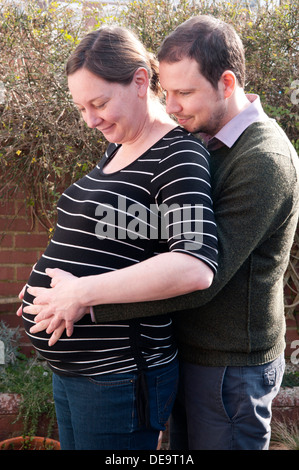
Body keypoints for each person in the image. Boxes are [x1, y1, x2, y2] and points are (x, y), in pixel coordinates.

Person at [17, 25, 218, 450]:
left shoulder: (178, 154)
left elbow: (194, 266)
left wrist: (81, 293)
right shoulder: (118, 147)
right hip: (77, 372)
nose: (90, 119)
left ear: (141, 81)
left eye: (100, 102)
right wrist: (48, 291)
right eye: (80, 107)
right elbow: (110, 243)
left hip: (120, 377)